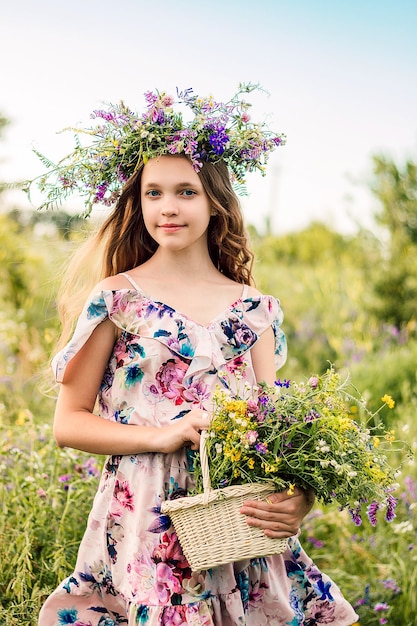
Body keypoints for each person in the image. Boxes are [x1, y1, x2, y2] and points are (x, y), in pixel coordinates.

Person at [36, 86, 359, 625]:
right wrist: (158, 435)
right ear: (138, 203)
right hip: (146, 523)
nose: (167, 207)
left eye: (185, 191)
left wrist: (298, 497)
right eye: (153, 193)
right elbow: (68, 424)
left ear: (215, 201)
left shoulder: (255, 310)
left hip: (233, 523)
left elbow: (272, 429)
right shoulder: (118, 299)